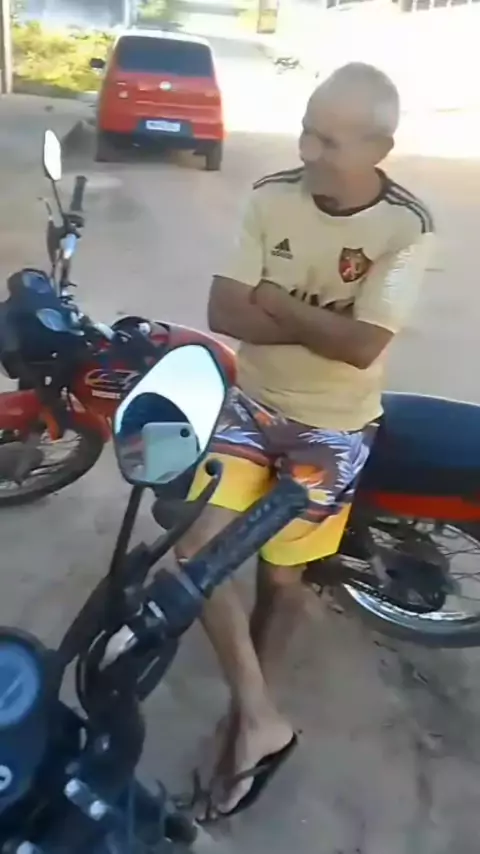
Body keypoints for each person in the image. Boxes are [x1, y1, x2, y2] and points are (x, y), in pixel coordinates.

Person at [174, 62, 435, 820]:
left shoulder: (406, 227)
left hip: (333, 428)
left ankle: (244, 722)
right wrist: (324, 323)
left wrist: (278, 302)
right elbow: (225, 312)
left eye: (329, 140)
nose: (307, 150)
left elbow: (362, 348)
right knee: (195, 551)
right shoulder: (270, 197)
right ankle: (259, 717)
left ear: (379, 149)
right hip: (251, 407)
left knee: (282, 583)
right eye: (306, 131)